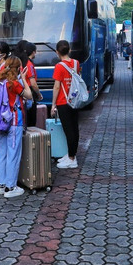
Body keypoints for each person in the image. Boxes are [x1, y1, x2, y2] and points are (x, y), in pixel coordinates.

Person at [0, 56, 32, 198]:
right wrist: (24, 79)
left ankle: (1, 184)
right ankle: (11, 187)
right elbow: (28, 95)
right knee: (13, 154)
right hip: (13, 121)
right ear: (18, 68)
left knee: (2, 153)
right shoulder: (14, 83)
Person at [51, 40, 82, 169]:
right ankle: (71, 154)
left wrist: (53, 104)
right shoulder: (76, 63)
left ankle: (72, 159)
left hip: (63, 102)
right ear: (69, 50)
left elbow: (57, 87)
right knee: (74, 128)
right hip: (74, 100)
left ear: (57, 52)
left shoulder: (59, 66)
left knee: (68, 130)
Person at [16, 40, 42, 127]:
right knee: (31, 119)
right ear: (33, 52)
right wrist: (38, 94)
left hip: (22, 91)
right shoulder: (29, 64)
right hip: (29, 91)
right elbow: (33, 84)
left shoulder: (20, 62)